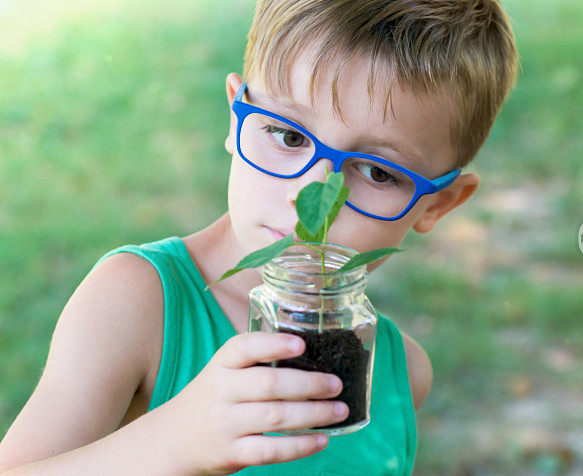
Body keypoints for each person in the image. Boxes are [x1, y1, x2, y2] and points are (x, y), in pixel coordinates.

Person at [0, 0, 518, 474]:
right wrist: (167, 443)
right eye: (289, 136)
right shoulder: (137, 304)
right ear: (236, 114)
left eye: (378, 172)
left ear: (439, 204)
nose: (310, 196)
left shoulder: (401, 373)